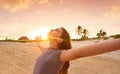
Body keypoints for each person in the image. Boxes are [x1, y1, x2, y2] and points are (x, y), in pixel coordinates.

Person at [33, 27, 120, 74]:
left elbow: (79, 52)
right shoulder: (46, 51)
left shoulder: (61, 54)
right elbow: (40, 46)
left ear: (60, 40)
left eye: (56, 30)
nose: (52, 29)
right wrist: (38, 41)